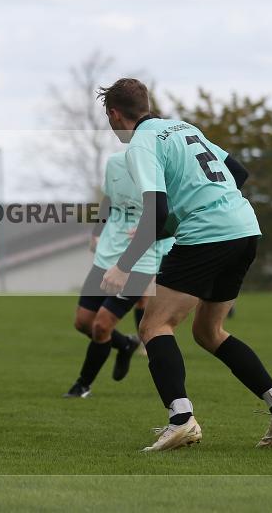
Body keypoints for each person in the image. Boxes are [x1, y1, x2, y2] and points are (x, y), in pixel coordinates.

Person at [98, 78, 272, 451]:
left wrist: (124, 265)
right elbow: (238, 173)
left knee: (154, 325)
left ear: (114, 114)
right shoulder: (183, 128)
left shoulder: (141, 143)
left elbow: (157, 210)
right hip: (244, 228)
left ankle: (181, 420)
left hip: (207, 235)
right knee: (209, 332)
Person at [64, 151, 174, 398]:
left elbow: (172, 212)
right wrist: (97, 232)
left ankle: (82, 385)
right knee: (83, 322)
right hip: (107, 256)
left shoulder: (163, 168)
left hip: (142, 260)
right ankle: (125, 344)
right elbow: (108, 200)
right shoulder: (114, 163)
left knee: (102, 325)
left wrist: (156, 236)